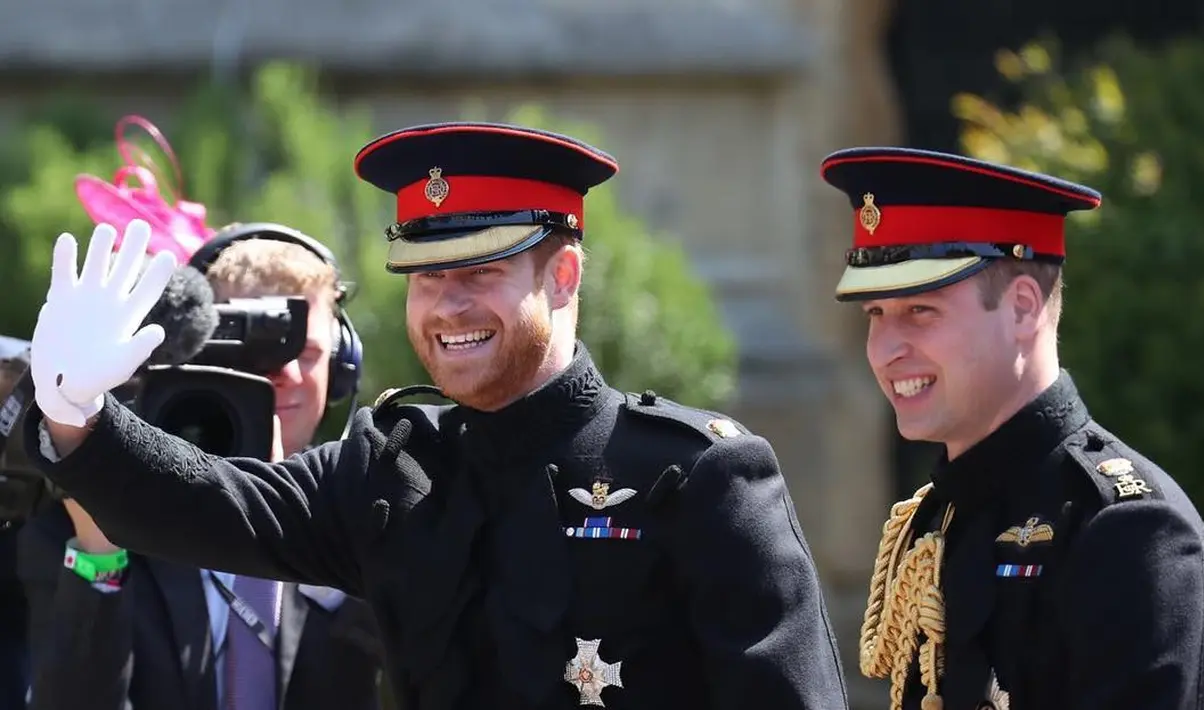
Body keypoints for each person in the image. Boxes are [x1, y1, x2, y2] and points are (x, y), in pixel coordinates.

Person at [18, 122, 850, 709]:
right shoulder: (392, 471)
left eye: (480, 272)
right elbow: (211, 505)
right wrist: (76, 413)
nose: (447, 306)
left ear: (563, 277)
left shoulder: (696, 476)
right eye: (424, 276)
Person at [819, 146, 1204, 710]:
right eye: (875, 314)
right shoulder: (938, 518)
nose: (886, 350)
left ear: (1021, 308)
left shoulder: (1125, 530)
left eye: (920, 311)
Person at [17, 224, 386, 710]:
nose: (285, 374)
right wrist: (98, 553)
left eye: (307, 353)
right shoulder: (88, 522)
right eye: (257, 350)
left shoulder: (368, 511)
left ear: (342, 369)